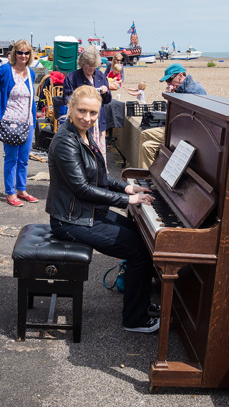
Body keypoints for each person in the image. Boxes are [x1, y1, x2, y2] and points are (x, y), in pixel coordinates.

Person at [46, 85, 160, 333]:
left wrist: (127, 189)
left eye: (93, 113)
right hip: (71, 220)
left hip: (91, 212)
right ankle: (134, 319)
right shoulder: (66, 140)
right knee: (139, 251)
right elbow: (82, 188)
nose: (87, 118)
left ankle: (140, 303)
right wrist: (126, 201)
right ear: (71, 108)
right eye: (82, 111)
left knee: (145, 239)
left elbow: (100, 176)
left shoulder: (85, 134)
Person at [0, 39, 38, 207]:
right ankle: (10, 192)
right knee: (11, 158)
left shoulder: (31, 73)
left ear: (30, 55)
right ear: (14, 54)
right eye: (20, 52)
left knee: (24, 159)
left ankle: (21, 189)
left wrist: (33, 120)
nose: (23, 55)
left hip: (27, 122)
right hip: (10, 123)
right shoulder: (6, 70)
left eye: (26, 53)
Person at [138, 63, 207, 169]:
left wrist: (171, 97)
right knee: (145, 135)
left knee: (147, 145)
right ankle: (147, 175)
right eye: (167, 81)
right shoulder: (183, 88)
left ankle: (149, 177)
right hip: (180, 129)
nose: (168, 83)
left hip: (187, 134)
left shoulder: (192, 90)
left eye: (170, 80)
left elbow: (180, 116)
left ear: (180, 76)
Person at [63, 46, 112, 166]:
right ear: (82, 64)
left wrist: (106, 92)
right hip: (80, 122)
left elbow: (107, 101)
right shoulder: (72, 78)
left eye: (94, 65)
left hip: (98, 122)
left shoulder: (100, 76)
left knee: (98, 154)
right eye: (89, 65)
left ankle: (100, 177)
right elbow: (67, 99)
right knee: (83, 155)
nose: (92, 68)